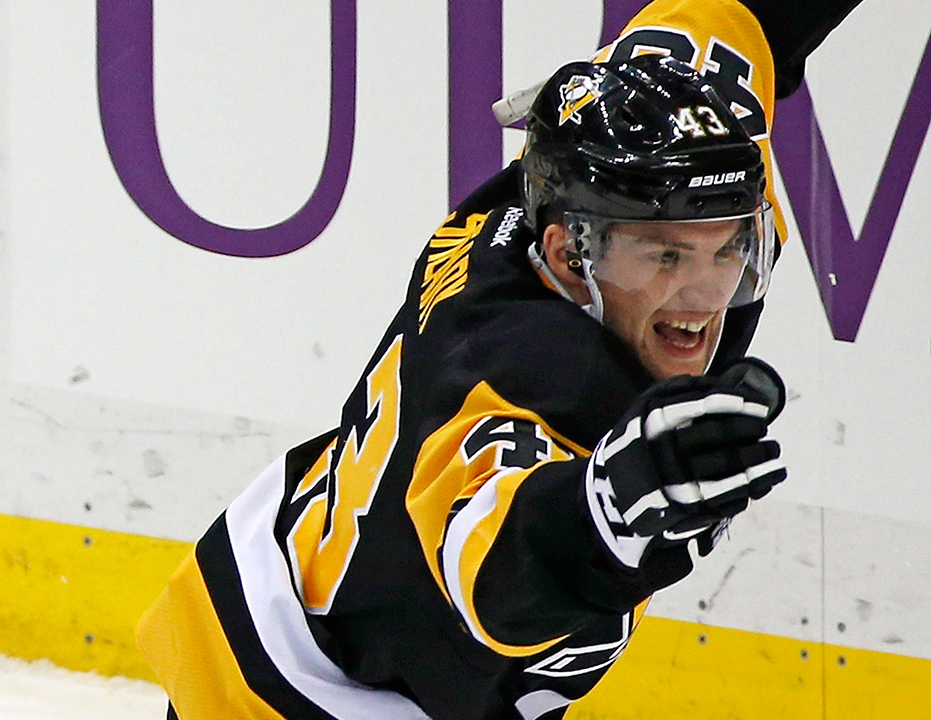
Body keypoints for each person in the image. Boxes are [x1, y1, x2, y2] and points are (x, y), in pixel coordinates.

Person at [137, 1, 862, 718]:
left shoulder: (597, 179)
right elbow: (491, 561)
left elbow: (738, 14)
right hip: (299, 700)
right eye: (667, 254)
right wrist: (598, 518)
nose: (704, 298)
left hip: (305, 585)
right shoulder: (520, 371)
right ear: (569, 257)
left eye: (731, 246)